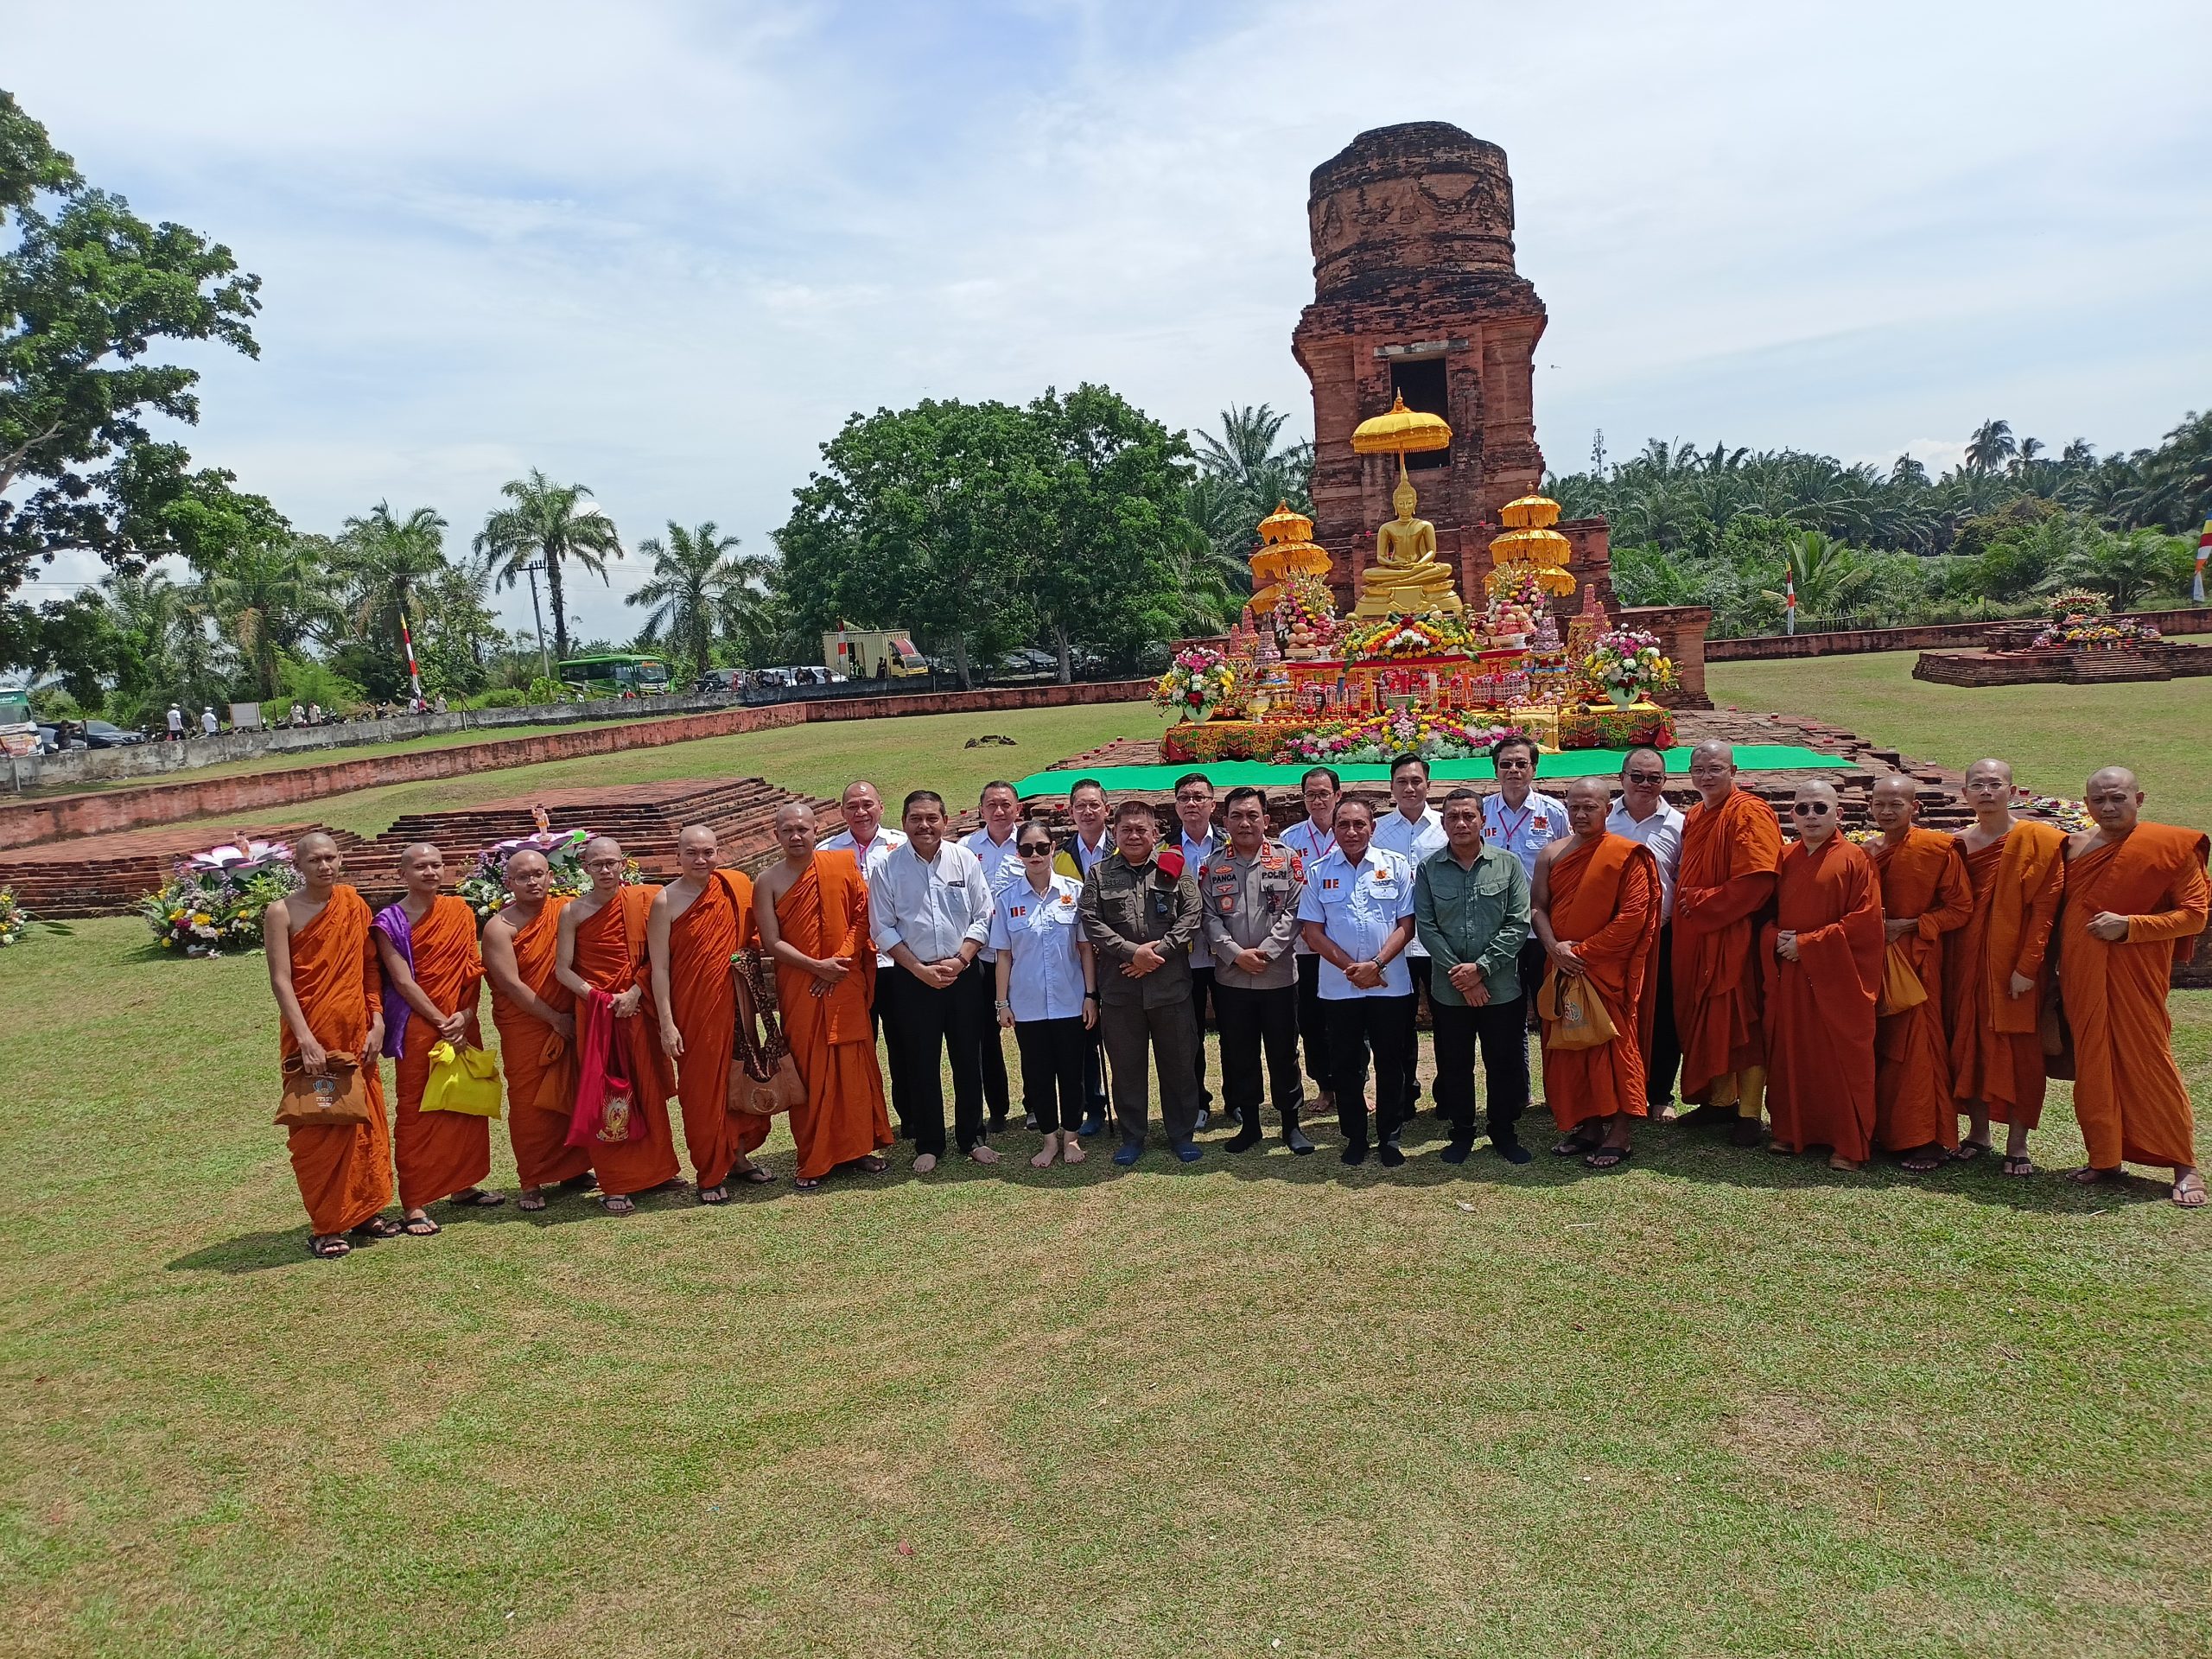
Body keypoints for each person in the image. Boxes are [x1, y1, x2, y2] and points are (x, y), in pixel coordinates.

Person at [2059, 767, 2208, 1208]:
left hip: (2136, 972)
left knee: (2150, 1060)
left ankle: (2184, 1164)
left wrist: (2131, 927)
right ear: (2086, 803)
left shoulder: (2168, 848)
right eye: (2098, 800)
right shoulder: (2074, 848)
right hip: (2081, 971)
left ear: (2138, 799)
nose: (2108, 807)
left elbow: (2195, 915)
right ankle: (2105, 1157)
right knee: (2093, 1063)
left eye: (2117, 798)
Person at [263, 831, 398, 1258]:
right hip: (311, 1034)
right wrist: (304, 1038)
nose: (324, 866)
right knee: (321, 1124)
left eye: (331, 858)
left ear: (340, 860)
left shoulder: (353, 904)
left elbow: (368, 968)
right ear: (298, 866)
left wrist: (377, 1020)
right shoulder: (281, 912)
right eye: (315, 860)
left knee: (364, 1120)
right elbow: (281, 980)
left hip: (357, 1032)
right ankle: (327, 1225)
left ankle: (364, 1210)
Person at [754, 804, 895, 1190]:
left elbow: (862, 915)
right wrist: (816, 967)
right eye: (788, 830)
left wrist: (840, 961)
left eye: (803, 828)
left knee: (853, 1064)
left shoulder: (841, 865)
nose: (796, 836)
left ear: (817, 830)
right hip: (801, 985)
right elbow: (770, 941)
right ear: (776, 834)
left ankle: (859, 1147)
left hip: (844, 977)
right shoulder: (767, 880)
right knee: (810, 1068)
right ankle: (816, 1155)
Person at [1529, 777, 1661, 1168]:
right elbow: (1538, 908)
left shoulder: (1627, 854)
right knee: (1571, 1044)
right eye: (1575, 807)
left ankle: (1619, 1132)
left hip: (1604, 969)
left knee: (1613, 1046)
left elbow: (1633, 917)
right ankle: (1587, 1126)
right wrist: (1555, 948)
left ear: (1608, 809)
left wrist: (1582, 953)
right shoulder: (1551, 853)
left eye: (1591, 807)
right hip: (1561, 964)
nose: (1582, 814)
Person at [1944, 759, 2064, 1174]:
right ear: (1966, 794)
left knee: (2019, 1052)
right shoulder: (1956, 844)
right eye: (1977, 785)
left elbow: (2045, 909)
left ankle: (2018, 1144)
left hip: (2015, 965)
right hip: (1964, 961)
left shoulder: (2040, 840)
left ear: (2012, 791)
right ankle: (1979, 1134)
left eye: (1995, 784)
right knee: (1968, 1043)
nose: (1986, 791)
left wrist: (2028, 968)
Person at [372, 843, 500, 1232]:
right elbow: (401, 979)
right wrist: (442, 1019)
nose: (430, 872)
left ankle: (462, 1185)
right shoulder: (388, 922)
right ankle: (415, 1201)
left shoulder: (458, 911)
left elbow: (470, 967)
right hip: (418, 1024)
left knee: (462, 1097)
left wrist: (465, 1013)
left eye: (437, 865)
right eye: (420, 867)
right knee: (418, 1108)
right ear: (403, 874)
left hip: (461, 1018)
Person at [870, 790, 998, 1173]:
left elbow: (983, 914)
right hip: (913, 977)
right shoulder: (888, 868)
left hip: (963, 974)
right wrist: (920, 969)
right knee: (920, 1062)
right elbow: (883, 928)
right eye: (916, 818)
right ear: (904, 822)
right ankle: (929, 1142)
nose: (924, 826)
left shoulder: (964, 860)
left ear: (944, 820)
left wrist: (961, 960)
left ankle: (972, 1137)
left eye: (932, 818)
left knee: (967, 1058)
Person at [554, 837, 683, 1213]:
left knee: (646, 1088)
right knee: (605, 1092)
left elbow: (658, 956)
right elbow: (562, 969)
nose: (606, 871)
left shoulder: (645, 902)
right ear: (585, 868)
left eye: (612, 863)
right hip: (598, 1016)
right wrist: (599, 998)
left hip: (637, 1008)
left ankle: (658, 1172)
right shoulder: (573, 912)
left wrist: (633, 993)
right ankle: (616, 1182)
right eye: (598, 865)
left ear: (623, 864)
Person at [1761, 782, 1884, 1170]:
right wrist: (1775, 938)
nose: (1811, 816)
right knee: (1790, 1052)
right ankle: (1792, 1131)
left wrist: (1808, 945)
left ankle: (1847, 1143)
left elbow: (1865, 923)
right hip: (1791, 976)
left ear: (1838, 814)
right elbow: (1762, 914)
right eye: (1802, 809)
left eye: (1819, 808)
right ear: (1792, 816)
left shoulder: (1856, 859)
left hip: (1838, 978)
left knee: (1840, 1057)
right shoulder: (1784, 857)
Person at [1078, 798, 1206, 1166]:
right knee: (1128, 1068)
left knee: (1179, 1066)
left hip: (1171, 988)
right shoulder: (1100, 874)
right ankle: (1133, 1136)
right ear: (1115, 834)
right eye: (1126, 830)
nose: (1134, 835)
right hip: (1121, 990)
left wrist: (1158, 953)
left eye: (1141, 829)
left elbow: (1192, 916)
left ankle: (1181, 1135)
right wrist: (1132, 953)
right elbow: (1091, 921)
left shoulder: (1175, 869)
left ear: (1155, 833)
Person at [647, 824, 770, 1203]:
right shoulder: (665, 901)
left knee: (739, 1077)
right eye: (692, 853)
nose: (701, 860)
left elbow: (752, 940)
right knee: (701, 1093)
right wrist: (667, 1025)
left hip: (735, 1004)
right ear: (678, 856)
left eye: (708, 852)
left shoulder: (733, 887)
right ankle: (709, 1171)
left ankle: (738, 1157)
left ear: (719, 853)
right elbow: (660, 968)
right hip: (693, 1012)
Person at [1673, 739, 1783, 1146]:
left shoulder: (1749, 812)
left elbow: (1756, 882)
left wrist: (1702, 902)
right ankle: (1720, 1102)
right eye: (1699, 769)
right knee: (1706, 1016)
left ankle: (1750, 1113)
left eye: (1715, 769)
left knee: (1742, 1021)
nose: (1706, 776)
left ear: (1733, 772)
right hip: (1698, 936)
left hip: (1736, 934)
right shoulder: (1696, 814)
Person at [1414, 787, 1531, 1165]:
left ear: (1483, 820)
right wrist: (1461, 975)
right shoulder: (1429, 868)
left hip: (1500, 988)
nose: (1461, 823)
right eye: (1452, 817)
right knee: (1455, 1063)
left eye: (1469, 816)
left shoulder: (1508, 864)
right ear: (1444, 823)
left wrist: (1480, 969)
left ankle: (1503, 1131)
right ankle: (1462, 1132)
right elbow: (1427, 927)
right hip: (1450, 991)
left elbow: (1517, 925)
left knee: (1504, 1061)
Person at [1299, 796, 1417, 1166]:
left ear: (1373, 827)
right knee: (1346, 1063)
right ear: (1333, 829)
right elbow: (1312, 933)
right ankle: (1354, 1136)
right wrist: (1354, 968)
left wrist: (1376, 964)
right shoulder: (1318, 871)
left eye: (1359, 824)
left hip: (1390, 983)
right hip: (1339, 986)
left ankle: (1390, 1137)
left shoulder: (1395, 867)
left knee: (1391, 1061)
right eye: (1343, 825)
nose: (1351, 832)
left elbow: (1407, 925)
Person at [1865, 776, 1973, 1173]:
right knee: (1879, 1047)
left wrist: (1909, 925)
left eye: (1897, 804)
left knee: (1918, 1051)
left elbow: (1960, 909)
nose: (1888, 811)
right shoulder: (1867, 851)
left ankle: (1926, 1139)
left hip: (1918, 961)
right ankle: (1885, 1132)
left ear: (1916, 808)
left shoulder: (1936, 849)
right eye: (1881, 804)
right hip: (1873, 962)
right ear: (1870, 807)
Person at [481, 848, 594, 1211]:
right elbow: (512, 986)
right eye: (523, 876)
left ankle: (575, 1168)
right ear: (509, 882)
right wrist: (554, 1019)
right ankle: (531, 1179)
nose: (533, 881)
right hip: (529, 1025)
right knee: (531, 1103)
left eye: (539, 874)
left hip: (572, 1017)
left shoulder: (566, 909)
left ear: (551, 876)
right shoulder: (499, 928)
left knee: (575, 1092)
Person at [1201, 786, 1313, 1154]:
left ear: (1266, 820)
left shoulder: (1286, 859)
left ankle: (1290, 1124)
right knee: (1240, 1052)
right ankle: (1250, 1125)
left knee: (1284, 1052)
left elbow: (1296, 910)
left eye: (1252, 815)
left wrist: (1264, 953)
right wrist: (1234, 954)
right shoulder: (1213, 864)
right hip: (1231, 978)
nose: (1245, 822)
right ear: (1225, 820)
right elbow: (1206, 916)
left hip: (1277, 975)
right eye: (1237, 816)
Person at [990, 820, 1096, 1167]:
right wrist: (1002, 1002)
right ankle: (1049, 1139)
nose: (1034, 855)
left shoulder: (1075, 891)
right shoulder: (1007, 899)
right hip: (1028, 1003)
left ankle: (1072, 1138)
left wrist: (1090, 995)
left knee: (1072, 1072)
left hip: (1070, 999)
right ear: (1018, 854)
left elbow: (1084, 950)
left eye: (1041, 847)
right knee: (1037, 1073)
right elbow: (1004, 955)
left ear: (1052, 848)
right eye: (1026, 849)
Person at [819, 780, 910, 1131]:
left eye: (867, 804)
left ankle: (911, 1118)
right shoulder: (827, 853)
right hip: (853, 966)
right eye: (853, 806)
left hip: (898, 962)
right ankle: (866, 1123)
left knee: (905, 1045)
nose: (861, 812)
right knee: (859, 1049)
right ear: (842, 812)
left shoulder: (902, 846)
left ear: (881, 807)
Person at [1606, 747, 1685, 1118]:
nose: (1645, 784)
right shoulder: (1604, 821)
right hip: (1615, 937)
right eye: (1636, 776)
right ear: (1621, 778)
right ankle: (1616, 1090)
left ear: (1664, 782)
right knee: (1617, 1013)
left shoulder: (1680, 824)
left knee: (1664, 1015)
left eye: (1654, 778)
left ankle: (1659, 1095)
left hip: (1663, 935)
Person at [1372, 753, 1447, 1121]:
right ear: (1391, 788)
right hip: (1396, 943)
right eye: (1402, 781)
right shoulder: (1379, 830)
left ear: (1429, 785)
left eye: (1416, 781)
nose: (1410, 788)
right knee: (1399, 1027)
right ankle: (1404, 1096)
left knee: (1448, 1022)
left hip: (1438, 942)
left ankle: (1448, 1095)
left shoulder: (1446, 826)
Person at [1482, 734, 1570, 1033]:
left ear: (1534, 768)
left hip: (1541, 929)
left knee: (1550, 1011)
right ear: (1495, 770)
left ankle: (1555, 1078)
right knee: (1505, 1018)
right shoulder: (1481, 813)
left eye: (1522, 763)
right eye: (1505, 764)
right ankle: (1515, 1080)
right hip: (1497, 929)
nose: (1513, 770)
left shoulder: (1553, 812)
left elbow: (1569, 866)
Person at [1052, 775, 1116, 1136]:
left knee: (1122, 1037)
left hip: (1117, 958)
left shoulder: (1122, 849)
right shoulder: (1061, 855)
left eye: (1094, 805)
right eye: (1081, 806)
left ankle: (1128, 1105)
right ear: (1071, 812)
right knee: (1085, 1038)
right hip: (1078, 962)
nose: (1088, 811)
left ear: (1106, 809)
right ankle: (1093, 1105)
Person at [1281, 766, 1341, 1125]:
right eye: (1310, 794)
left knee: (1351, 1020)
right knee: (1313, 1021)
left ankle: (1357, 1083)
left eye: (1324, 793)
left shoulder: (1354, 831)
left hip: (1347, 946)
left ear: (1337, 795)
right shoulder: (1290, 840)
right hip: (1304, 947)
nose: (1317, 800)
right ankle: (1325, 1086)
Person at [961, 781, 1023, 1131]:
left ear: (1018, 808)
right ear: (981, 809)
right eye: (991, 805)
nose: (999, 811)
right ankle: (997, 1108)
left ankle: (1035, 1104)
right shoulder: (965, 849)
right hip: (982, 957)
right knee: (985, 1036)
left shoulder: (1031, 843)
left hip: (1024, 954)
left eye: (1005, 805)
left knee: (1032, 1031)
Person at [1171, 772, 1221, 1126]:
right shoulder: (1164, 850)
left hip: (1227, 955)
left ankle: (1238, 1099)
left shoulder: (1233, 843)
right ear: (1176, 806)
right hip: (1183, 957)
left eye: (1199, 797)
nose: (1192, 803)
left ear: (1212, 804)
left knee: (1236, 1031)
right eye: (1185, 797)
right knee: (1188, 1037)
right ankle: (1197, 1102)